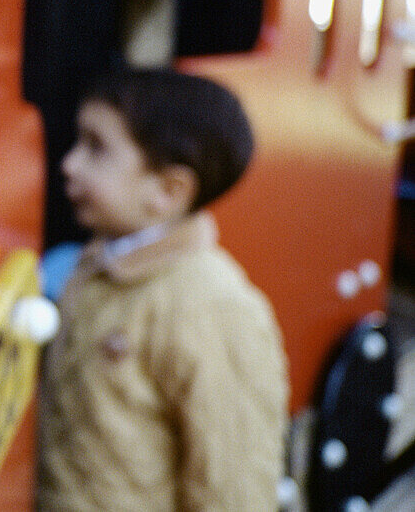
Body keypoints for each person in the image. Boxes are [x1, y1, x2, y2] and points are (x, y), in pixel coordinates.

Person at [38, 67, 288, 510]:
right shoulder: (95, 262)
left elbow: (234, 489)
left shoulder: (214, 309)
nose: (69, 163)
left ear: (168, 191)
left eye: (96, 148)